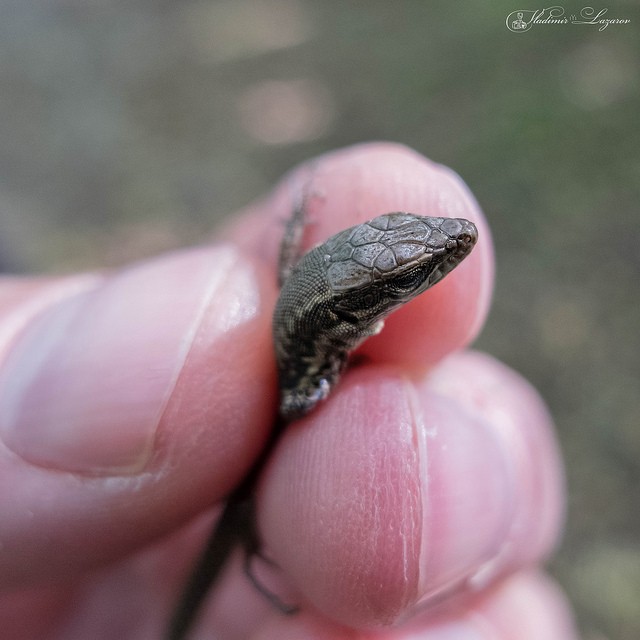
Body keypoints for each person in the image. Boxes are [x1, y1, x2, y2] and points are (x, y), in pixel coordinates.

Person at [0, 143, 577, 639]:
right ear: (346, 314)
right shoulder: (287, 352)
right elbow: (298, 402)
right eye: (406, 278)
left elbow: (302, 333)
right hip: (239, 481)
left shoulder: (303, 305)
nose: (446, 251)